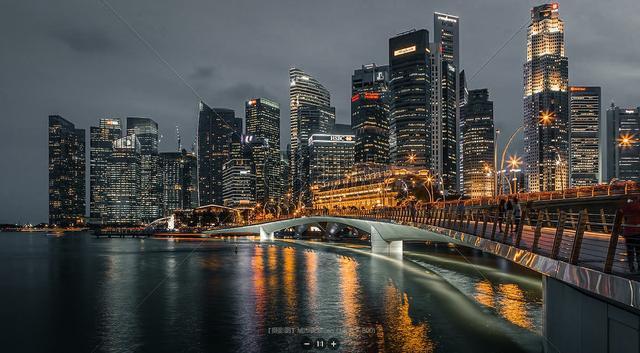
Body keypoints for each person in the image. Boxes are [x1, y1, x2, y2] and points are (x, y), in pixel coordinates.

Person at [622, 196, 640, 272]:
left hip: (628, 232)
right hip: (638, 232)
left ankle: (631, 267)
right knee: (638, 251)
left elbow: (620, 211)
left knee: (630, 251)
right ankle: (639, 267)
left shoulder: (627, 206)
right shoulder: (638, 206)